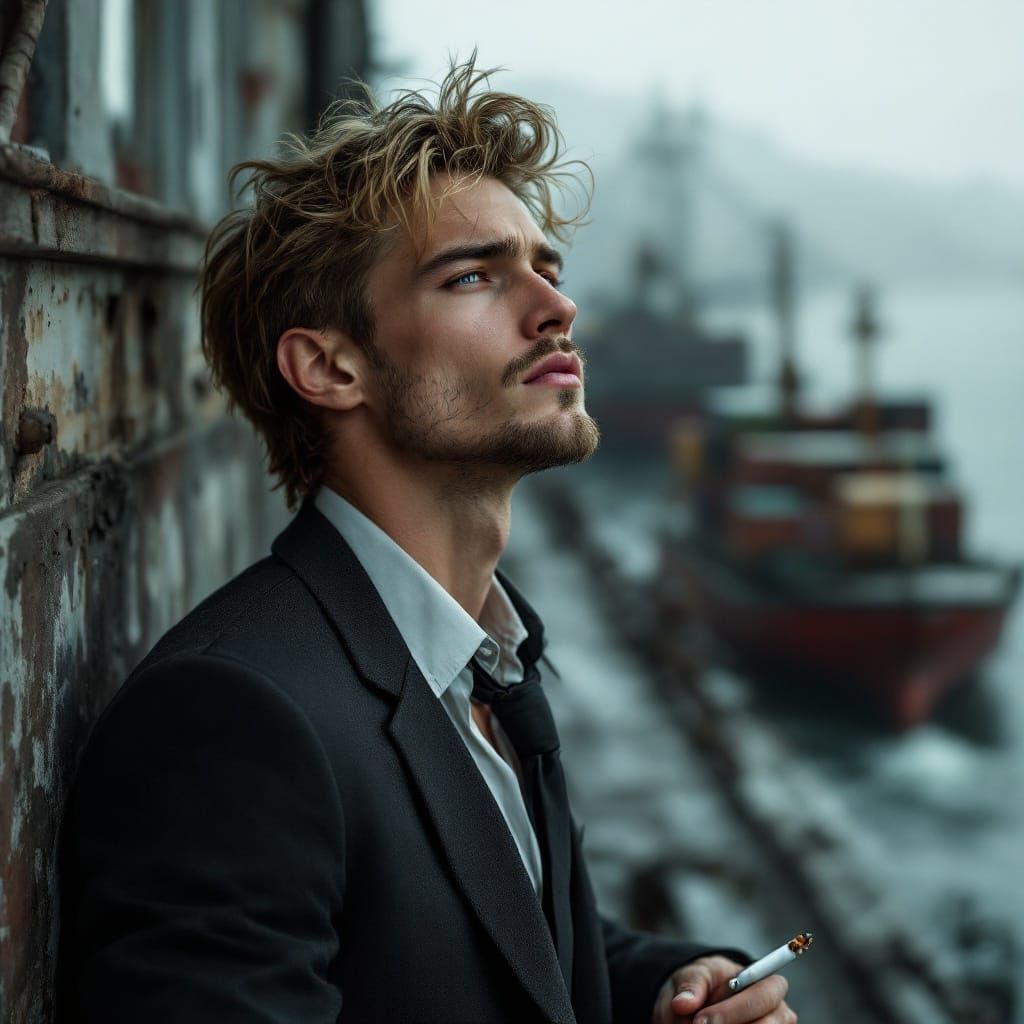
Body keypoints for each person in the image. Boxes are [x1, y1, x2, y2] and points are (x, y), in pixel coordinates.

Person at [58, 61, 796, 1024]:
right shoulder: (228, 722)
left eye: (547, 269)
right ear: (330, 367)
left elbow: (512, 946)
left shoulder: (490, 660)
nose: (557, 307)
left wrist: (670, 981)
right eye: (474, 276)